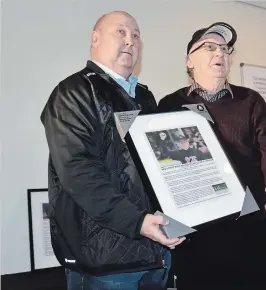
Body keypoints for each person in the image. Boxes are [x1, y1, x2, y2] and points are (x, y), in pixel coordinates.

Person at [40, 11, 184, 290]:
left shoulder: (145, 96)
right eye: (121, 32)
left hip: (154, 254)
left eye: (136, 36)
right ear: (95, 39)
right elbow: (79, 173)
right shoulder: (74, 92)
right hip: (104, 263)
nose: (130, 40)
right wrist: (137, 221)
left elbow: (157, 167)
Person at [158, 22, 266, 289]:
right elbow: (163, 168)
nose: (220, 54)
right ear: (189, 61)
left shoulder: (250, 101)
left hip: (247, 228)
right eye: (209, 47)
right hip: (196, 233)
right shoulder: (170, 105)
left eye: (224, 49)